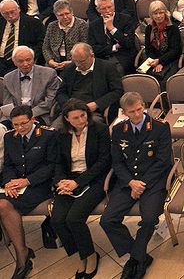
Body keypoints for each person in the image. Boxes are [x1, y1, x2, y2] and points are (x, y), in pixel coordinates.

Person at [101, 92, 172, 279]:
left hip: (153, 182)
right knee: (107, 220)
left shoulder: (160, 128)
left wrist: (142, 183)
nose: (137, 114)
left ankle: (134, 260)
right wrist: (131, 182)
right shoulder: (118, 131)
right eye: (132, 112)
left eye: (140, 109)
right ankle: (139, 256)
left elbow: (163, 161)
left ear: (144, 106)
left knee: (149, 219)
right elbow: (117, 163)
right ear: (124, 113)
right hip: (127, 182)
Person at [51, 99, 110, 279]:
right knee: (58, 220)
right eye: (75, 118)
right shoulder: (61, 134)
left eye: (83, 115)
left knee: (74, 218)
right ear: (67, 119)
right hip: (69, 179)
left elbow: (103, 162)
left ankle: (91, 255)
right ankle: (81, 254)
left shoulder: (99, 129)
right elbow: (58, 163)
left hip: (94, 178)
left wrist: (78, 183)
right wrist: (61, 181)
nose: (81, 120)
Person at [0, 105, 59, 279]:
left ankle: (22, 257)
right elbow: (9, 165)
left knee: (4, 205)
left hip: (40, 185)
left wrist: (27, 180)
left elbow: (52, 166)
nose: (19, 128)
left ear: (33, 119)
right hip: (17, 184)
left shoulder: (48, 135)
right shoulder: (9, 137)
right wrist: (9, 183)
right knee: (2, 204)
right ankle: (23, 253)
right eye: (15, 125)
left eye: (23, 124)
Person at [2, 46, 59, 125]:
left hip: (39, 114)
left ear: (34, 59)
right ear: (14, 62)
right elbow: (8, 103)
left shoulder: (49, 74)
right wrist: (17, 117)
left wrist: (27, 116)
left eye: (28, 60)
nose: (25, 64)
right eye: (20, 61)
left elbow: (49, 101)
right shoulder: (8, 78)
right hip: (15, 115)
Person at [87, 0, 138, 74]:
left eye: (109, 7)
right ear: (98, 9)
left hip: (122, 56)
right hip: (101, 58)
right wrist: (114, 47)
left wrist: (112, 29)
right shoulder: (94, 25)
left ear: (113, 6)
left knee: (114, 71)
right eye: (103, 8)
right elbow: (93, 48)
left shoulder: (126, 19)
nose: (108, 11)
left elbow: (128, 43)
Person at [0, 0, 46, 76]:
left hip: (22, 61)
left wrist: (28, 57)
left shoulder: (34, 23)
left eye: (12, 12)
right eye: (6, 13)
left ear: (18, 9)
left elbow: (41, 44)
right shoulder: (1, 23)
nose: (10, 16)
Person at [42, 0, 88, 73]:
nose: (65, 17)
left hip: (75, 62)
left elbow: (85, 47)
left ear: (72, 12)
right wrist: (50, 61)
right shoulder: (51, 26)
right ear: (56, 16)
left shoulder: (82, 25)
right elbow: (46, 47)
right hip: (54, 62)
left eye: (67, 13)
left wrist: (71, 62)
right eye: (61, 15)